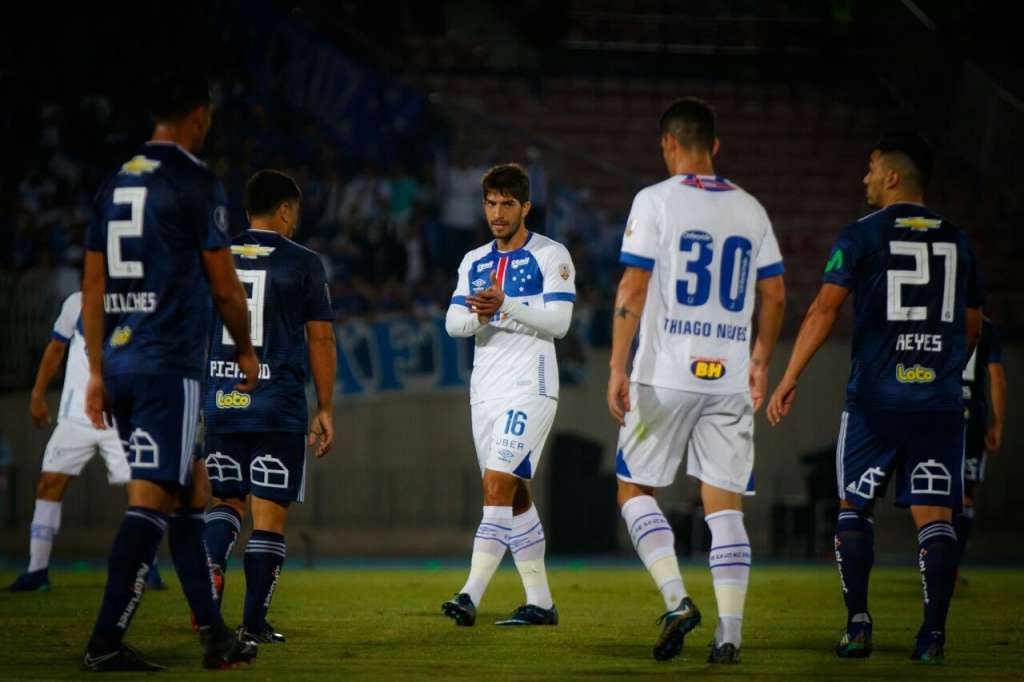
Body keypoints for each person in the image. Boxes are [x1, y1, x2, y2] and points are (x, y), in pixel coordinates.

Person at [766, 132, 983, 663]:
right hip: (937, 402)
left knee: (853, 508)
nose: (864, 179)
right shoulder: (959, 239)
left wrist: (789, 374)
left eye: (870, 169)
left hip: (875, 402)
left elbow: (823, 309)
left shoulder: (861, 235)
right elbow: (973, 325)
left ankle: (858, 625)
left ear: (891, 176)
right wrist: (939, 369)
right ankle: (932, 636)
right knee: (936, 518)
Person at [80, 73, 260, 671]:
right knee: (152, 502)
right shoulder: (192, 179)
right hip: (167, 366)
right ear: (199, 117)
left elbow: (94, 281)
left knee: (190, 492)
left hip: (124, 362)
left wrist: (98, 371)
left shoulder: (114, 182)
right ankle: (105, 641)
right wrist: (246, 349)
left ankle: (214, 636)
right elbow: (224, 283)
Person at [607, 97, 786, 665]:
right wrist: (760, 358)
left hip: (665, 375)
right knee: (724, 507)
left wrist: (617, 365)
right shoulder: (751, 208)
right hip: (728, 376)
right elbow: (776, 293)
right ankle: (730, 635)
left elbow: (632, 288)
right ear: (715, 146)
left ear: (668, 145)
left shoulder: (654, 200)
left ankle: (678, 599)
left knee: (634, 489)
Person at [202, 170, 336, 644]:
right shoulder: (303, 262)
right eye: (294, 212)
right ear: (284, 210)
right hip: (276, 406)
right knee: (269, 515)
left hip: (220, 400)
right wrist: (324, 406)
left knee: (224, 502)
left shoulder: (215, 258)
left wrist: (202, 396)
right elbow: (319, 337)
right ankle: (253, 623)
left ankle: (210, 592)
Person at [441, 163, 576, 627]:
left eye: (507, 204)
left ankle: (468, 595)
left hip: (530, 386)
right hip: (486, 391)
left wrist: (506, 305)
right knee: (513, 495)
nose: (497, 213)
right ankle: (540, 602)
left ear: (525, 208)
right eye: (491, 204)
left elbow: (560, 323)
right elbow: (453, 324)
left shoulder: (551, 255)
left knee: (495, 485)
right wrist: (481, 316)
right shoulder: (473, 260)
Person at [8, 291, 167, 592]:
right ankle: (37, 570)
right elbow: (56, 347)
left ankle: (148, 567)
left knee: (141, 490)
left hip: (121, 417)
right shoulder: (75, 302)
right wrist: (37, 394)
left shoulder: (139, 301)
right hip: (75, 416)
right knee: (48, 484)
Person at [956, 316, 1005, 580]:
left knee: (930, 494)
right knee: (965, 496)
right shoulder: (986, 327)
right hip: (972, 418)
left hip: (937, 410)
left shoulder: (939, 315)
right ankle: (951, 565)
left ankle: (936, 561)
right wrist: (997, 424)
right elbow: (996, 378)